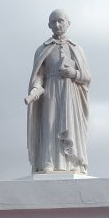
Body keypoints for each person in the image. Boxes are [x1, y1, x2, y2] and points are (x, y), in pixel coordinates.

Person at [25, 10, 91, 175]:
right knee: (50, 124)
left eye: (60, 21)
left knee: (71, 125)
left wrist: (73, 74)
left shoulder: (77, 49)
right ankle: (49, 162)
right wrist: (35, 89)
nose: (57, 25)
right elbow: (39, 75)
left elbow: (87, 77)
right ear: (49, 25)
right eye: (53, 22)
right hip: (51, 92)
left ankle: (73, 162)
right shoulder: (42, 49)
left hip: (71, 93)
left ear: (68, 23)